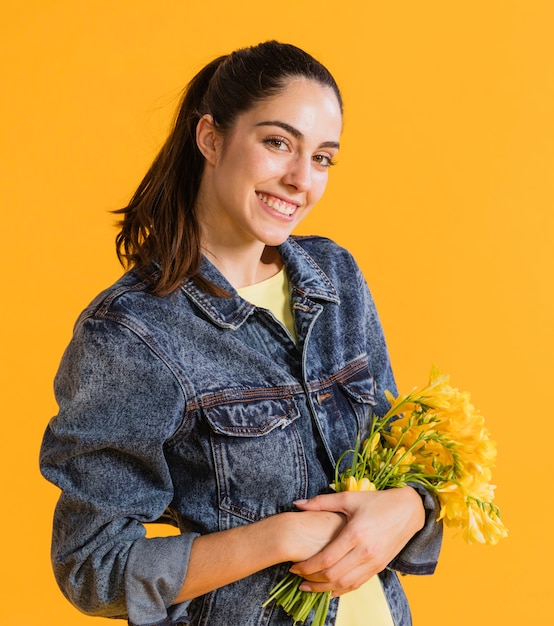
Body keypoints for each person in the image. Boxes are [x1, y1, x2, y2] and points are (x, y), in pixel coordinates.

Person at [40, 41, 442, 626]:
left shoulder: (336, 280)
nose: (301, 179)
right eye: (278, 143)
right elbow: (92, 566)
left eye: (323, 158)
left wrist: (410, 507)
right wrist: (280, 537)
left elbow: (403, 452)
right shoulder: (130, 334)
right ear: (211, 138)